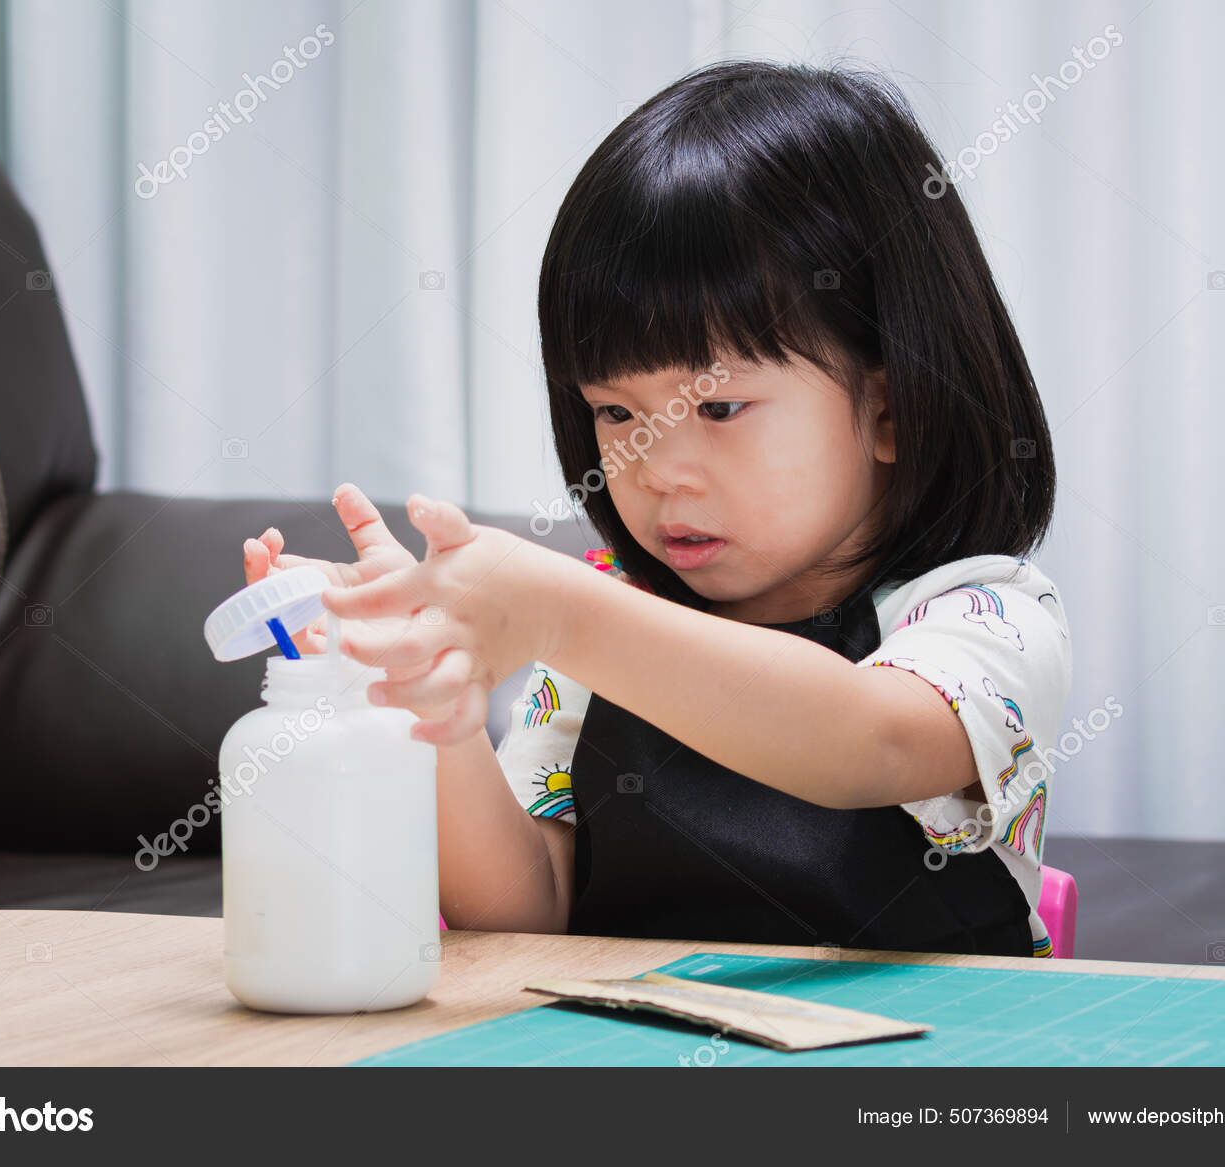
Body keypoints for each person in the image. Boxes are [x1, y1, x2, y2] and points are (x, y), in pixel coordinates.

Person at [241, 60, 1071, 957]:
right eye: (615, 412)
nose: (655, 467)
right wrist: (429, 711)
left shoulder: (986, 616)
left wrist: (564, 614)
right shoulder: (599, 631)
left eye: (716, 408)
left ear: (889, 409)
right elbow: (530, 906)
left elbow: (871, 743)